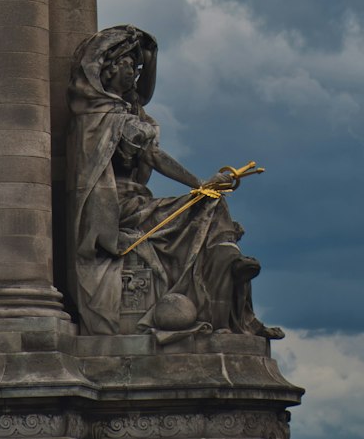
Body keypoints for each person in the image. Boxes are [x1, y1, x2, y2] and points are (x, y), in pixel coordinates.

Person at [68, 25, 283, 339]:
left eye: (136, 68)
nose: (134, 74)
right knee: (209, 201)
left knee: (212, 210)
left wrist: (149, 57)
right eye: (129, 66)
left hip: (136, 204)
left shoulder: (119, 113)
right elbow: (153, 156)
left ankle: (237, 300)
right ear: (110, 70)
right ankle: (231, 283)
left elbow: (144, 117)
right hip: (121, 208)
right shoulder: (106, 117)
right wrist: (201, 183)